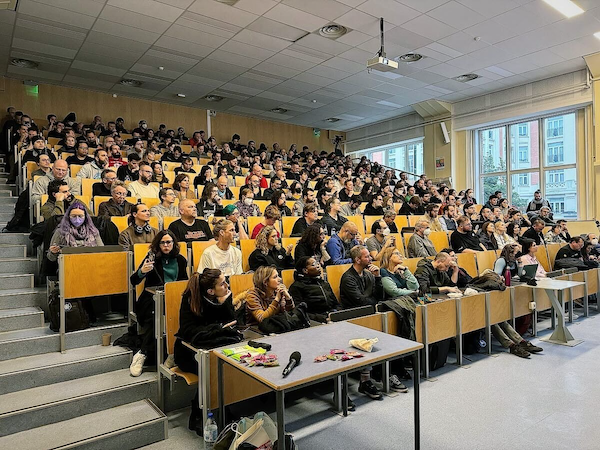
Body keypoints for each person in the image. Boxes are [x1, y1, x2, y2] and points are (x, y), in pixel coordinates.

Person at [174, 269, 242, 434]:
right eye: (222, 283)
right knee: (211, 368)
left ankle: (224, 409)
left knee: (227, 364)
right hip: (188, 352)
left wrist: (225, 304)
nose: (227, 285)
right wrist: (218, 328)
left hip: (213, 348)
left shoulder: (223, 296)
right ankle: (197, 415)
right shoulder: (191, 299)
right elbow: (189, 331)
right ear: (210, 291)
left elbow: (233, 323)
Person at [340, 246, 406, 398]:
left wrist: (377, 278)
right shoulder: (348, 278)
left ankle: (390, 371)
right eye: (367, 257)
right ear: (358, 259)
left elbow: (380, 296)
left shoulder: (369, 275)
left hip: (370, 315)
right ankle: (374, 378)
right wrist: (373, 301)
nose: (370, 259)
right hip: (353, 319)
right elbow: (360, 301)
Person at [129, 230, 189, 377]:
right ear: (158, 244)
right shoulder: (151, 259)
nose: (166, 245)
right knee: (156, 313)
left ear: (174, 244)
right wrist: (142, 271)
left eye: (169, 242)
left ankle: (172, 353)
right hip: (151, 299)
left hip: (173, 297)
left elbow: (184, 283)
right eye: (163, 243)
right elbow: (133, 280)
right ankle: (142, 354)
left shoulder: (180, 260)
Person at [47, 201, 104, 321]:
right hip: (68, 270)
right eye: (74, 216)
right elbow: (50, 258)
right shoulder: (60, 232)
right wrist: (53, 252)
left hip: (90, 268)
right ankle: (83, 315)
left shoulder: (93, 232)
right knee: (80, 278)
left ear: (85, 217)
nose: (77, 219)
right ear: (68, 217)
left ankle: (87, 314)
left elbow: (102, 252)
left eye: (80, 216)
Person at [245, 266, 309, 332]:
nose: (280, 279)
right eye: (275, 277)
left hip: (275, 325)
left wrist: (288, 298)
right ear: (265, 282)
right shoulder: (252, 296)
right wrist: (276, 300)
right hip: (256, 330)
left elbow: (288, 313)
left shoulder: (276, 291)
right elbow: (262, 319)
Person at [289, 256, 338, 322]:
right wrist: (323, 319)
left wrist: (337, 313)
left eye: (317, 263)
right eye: (314, 264)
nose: (318, 266)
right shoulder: (297, 287)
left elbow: (336, 304)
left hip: (332, 316)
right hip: (316, 321)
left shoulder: (324, 283)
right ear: (305, 270)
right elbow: (300, 312)